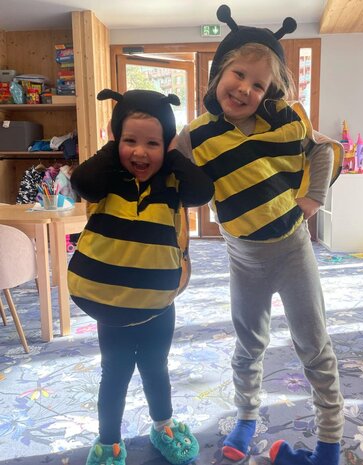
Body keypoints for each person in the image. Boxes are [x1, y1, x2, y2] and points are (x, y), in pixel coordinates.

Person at [176, 5, 345, 465]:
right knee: (249, 344)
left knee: (315, 346)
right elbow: (167, 172)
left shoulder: (289, 120)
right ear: (218, 74)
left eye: (258, 84)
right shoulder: (197, 134)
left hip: (293, 251)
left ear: (270, 92)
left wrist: (312, 198)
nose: (245, 88)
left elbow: (327, 150)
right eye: (238, 74)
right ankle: (246, 418)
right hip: (242, 257)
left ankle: (330, 446)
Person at [68, 88, 214, 465]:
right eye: (129, 140)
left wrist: (173, 155)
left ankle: (162, 424)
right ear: (116, 139)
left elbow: (203, 190)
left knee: (155, 368)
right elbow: (81, 182)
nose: (140, 152)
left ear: (166, 145)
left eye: (153, 143)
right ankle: (109, 442)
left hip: (157, 306)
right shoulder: (107, 180)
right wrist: (112, 146)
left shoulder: (172, 184)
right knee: (113, 375)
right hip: (111, 306)